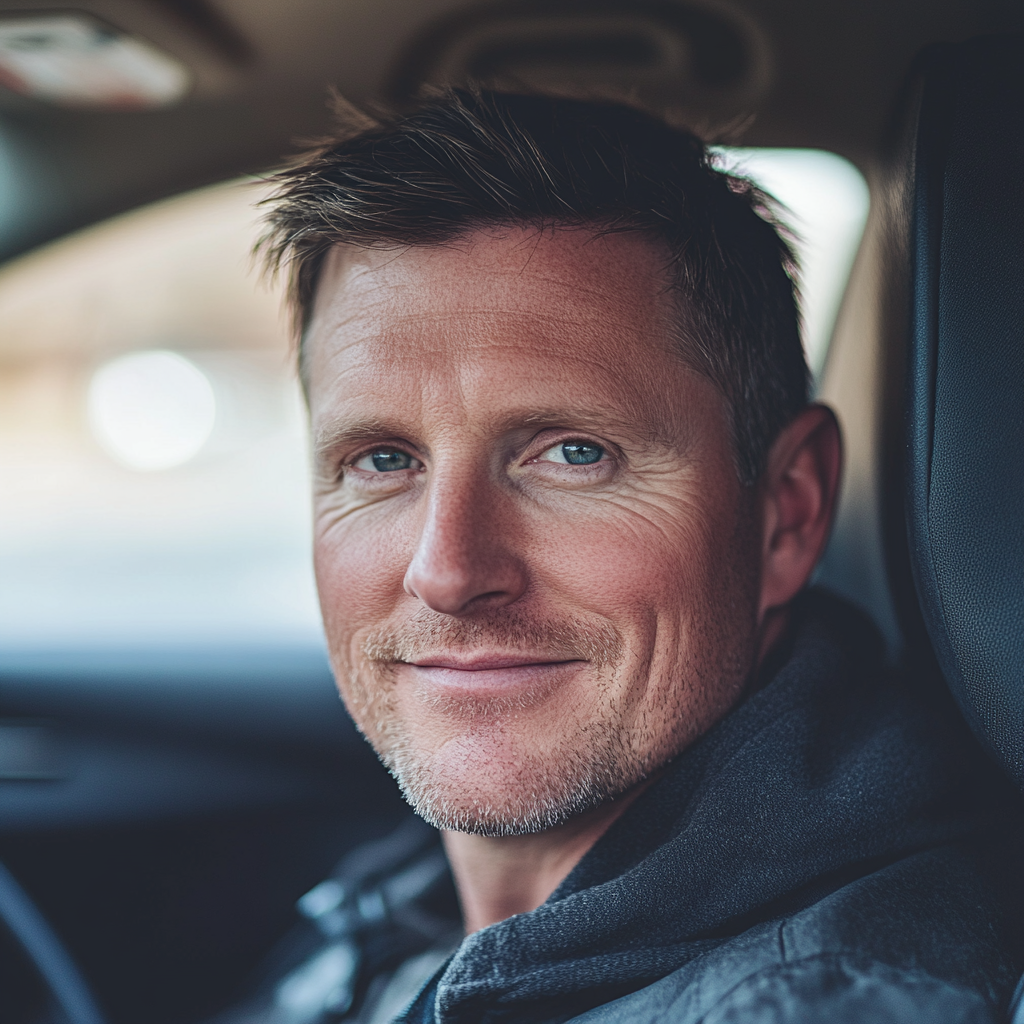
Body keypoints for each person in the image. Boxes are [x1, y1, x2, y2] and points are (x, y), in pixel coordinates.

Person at [241, 89, 1024, 1023]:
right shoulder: (417, 892)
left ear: (786, 513)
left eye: (574, 454)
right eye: (381, 460)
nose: (445, 571)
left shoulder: (818, 999)